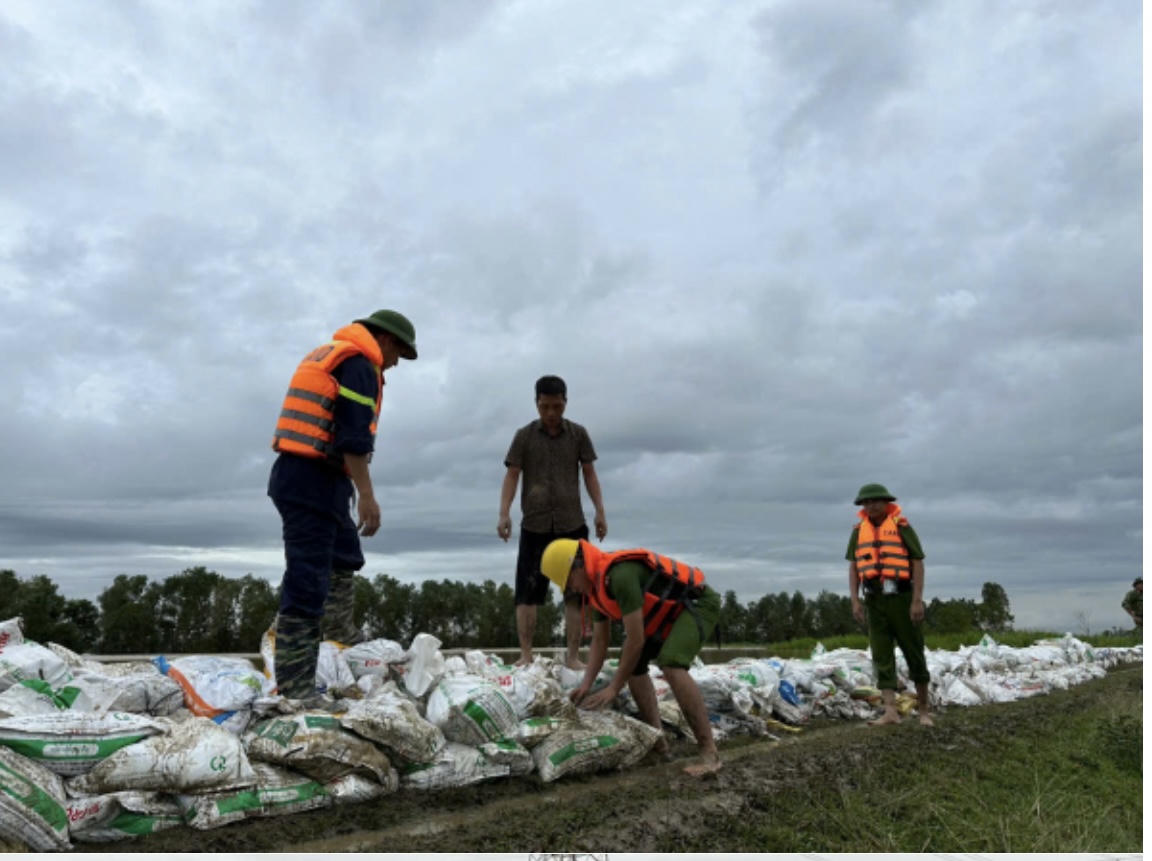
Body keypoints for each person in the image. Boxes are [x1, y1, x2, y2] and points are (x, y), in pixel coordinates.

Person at [268, 309, 417, 702]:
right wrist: (367, 495)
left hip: (322, 480)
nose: (395, 364)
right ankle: (296, 686)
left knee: (345, 554)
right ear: (386, 340)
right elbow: (353, 438)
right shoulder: (359, 365)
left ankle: (337, 631)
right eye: (398, 354)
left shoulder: (336, 357)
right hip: (309, 480)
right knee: (307, 579)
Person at [539, 537, 723, 777]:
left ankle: (709, 753)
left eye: (569, 582)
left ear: (578, 565)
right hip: (666, 615)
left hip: (695, 604)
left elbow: (635, 639)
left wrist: (614, 688)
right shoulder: (596, 592)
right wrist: (585, 686)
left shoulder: (620, 576)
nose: (572, 589)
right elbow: (600, 641)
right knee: (634, 667)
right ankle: (659, 744)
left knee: (671, 664)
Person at [497, 375, 607, 668]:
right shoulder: (524, 436)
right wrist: (504, 513)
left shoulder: (578, 434)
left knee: (576, 593)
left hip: (572, 525)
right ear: (536, 404)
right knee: (527, 592)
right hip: (534, 524)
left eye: (557, 406)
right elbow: (512, 475)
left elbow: (590, 474)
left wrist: (600, 510)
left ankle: (573, 657)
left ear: (565, 403)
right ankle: (526, 655)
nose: (551, 413)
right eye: (545, 406)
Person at [847, 483, 934, 727]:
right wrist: (855, 600)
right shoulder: (858, 532)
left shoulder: (901, 527)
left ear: (886, 503)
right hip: (874, 600)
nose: (871, 505)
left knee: (914, 650)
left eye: (876, 501)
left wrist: (917, 600)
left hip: (902, 598)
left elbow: (917, 562)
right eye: (866, 502)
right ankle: (890, 712)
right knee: (881, 654)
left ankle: (924, 711)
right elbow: (854, 568)